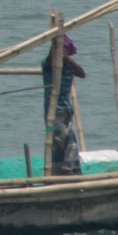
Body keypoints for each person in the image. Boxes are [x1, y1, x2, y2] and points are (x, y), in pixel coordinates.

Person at [41, 34, 85, 174]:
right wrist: (55, 47)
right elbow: (50, 60)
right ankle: (66, 173)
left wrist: (68, 60)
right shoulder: (49, 64)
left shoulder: (68, 65)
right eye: (62, 50)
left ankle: (64, 173)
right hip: (54, 111)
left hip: (66, 111)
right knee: (65, 141)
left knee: (64, 145)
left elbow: (82, 74)